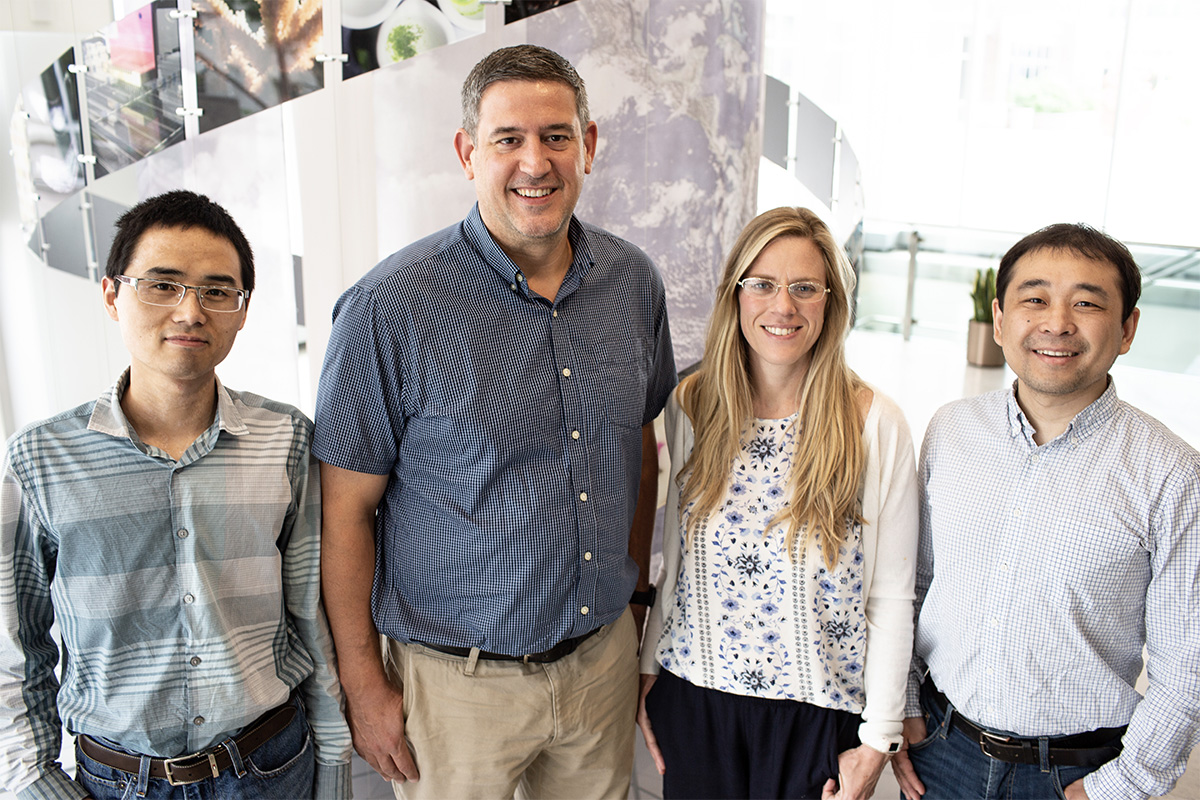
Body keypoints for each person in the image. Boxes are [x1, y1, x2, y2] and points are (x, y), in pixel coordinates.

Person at [313, 44, 676, 799]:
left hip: (599, 667)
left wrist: (636, 605)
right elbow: (345, 511)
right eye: (508, 139)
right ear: (467, 152)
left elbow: (640, 450)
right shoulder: (390, 308)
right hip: (454, 691)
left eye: (556, 136)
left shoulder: (633, 284)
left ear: (590, 145)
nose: (534, 162)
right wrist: (361, 682)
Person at [0, 190, 352, 800]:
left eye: (217, 291)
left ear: (242, 311)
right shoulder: (39, 459)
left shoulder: (285, 438)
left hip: (271, 764)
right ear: (112, 295)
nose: (191, 311)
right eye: (162, 285)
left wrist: (334, 757)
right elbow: (14, 644)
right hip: (116, 781)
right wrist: (35, 782)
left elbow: (309, 616)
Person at [892, 223, 1200, 800]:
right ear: (1000, 318)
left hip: (1073, 774)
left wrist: (1121, 786)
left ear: (1128, 327)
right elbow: (917, 582)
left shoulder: (1173, 472)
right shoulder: (951, 430)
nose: (1056, 323)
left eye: (1086, 303)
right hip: (942, 746)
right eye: (1034, 299)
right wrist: (906, 706)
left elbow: (1188, 664)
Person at [637, 206, 918, 799]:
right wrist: (648, 670)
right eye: (762, 284)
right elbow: (677, 566)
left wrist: (879, 738)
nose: (782, 306)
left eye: (805, 288)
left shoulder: (873, 424)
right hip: (696, 700)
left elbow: (892, 595)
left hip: (816, 714)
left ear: (832, 302)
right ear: (735, 295)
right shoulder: (694, 405)